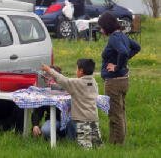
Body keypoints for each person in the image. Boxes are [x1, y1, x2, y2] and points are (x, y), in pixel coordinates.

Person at [98, 12, 141, 145]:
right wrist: (122, 63)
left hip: (114, 82)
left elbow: (123, 52)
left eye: (101, 27)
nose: (100, 30)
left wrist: (117, 66)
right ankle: (115, 141)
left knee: (115, 115)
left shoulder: (114, 38)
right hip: (123, 80)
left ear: (107, 26)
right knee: (120, 112)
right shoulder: (123, 36)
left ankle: (117, 144)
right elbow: (136, 47)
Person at [41, 59, 102, 149]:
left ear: (81, 71)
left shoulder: (77, 83)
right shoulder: (93, 82)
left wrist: (49, 70)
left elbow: (62, 79)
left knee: (86, 147)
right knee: (96, 146)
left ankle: (70, 144)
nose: (75, 71)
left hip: (81, 120)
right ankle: (73, 143)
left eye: (76, 69)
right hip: (93, 118)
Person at [31, 65, 64, 139]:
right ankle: (59, 139)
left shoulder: (68, 87)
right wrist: (35, 125)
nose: (48, 81)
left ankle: (70, 141)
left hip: (70, 120)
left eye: (50, 77)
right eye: (46, 78)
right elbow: (38, 110)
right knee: (46, 130)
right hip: (54, 120)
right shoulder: (45, 92)